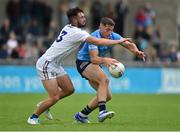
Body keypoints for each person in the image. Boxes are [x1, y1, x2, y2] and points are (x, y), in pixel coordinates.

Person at [27, 7, 131, 125]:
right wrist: (118, 42)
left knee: (69, 90)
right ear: (74, 19)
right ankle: (33, 117)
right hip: (46, 64)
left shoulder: (68, 27)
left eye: (84, 16)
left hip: (56, 64)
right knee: (55, 97)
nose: (84, 18)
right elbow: (98, 41)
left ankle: (48, 105)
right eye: (81, 17)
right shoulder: (77, 32)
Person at [74, 17, 146, 123]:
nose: (110, 32)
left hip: (94, 64)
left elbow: (128, 44)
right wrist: (106, 60)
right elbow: (94, 59)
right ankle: (102, 112)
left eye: (111, 30)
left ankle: (82, 115)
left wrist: (136, 51)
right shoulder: (94, 37)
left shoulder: (113, 36)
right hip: (83, 63)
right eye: (107, 29)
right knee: (104, 79)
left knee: (107, 96)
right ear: (100, 26)